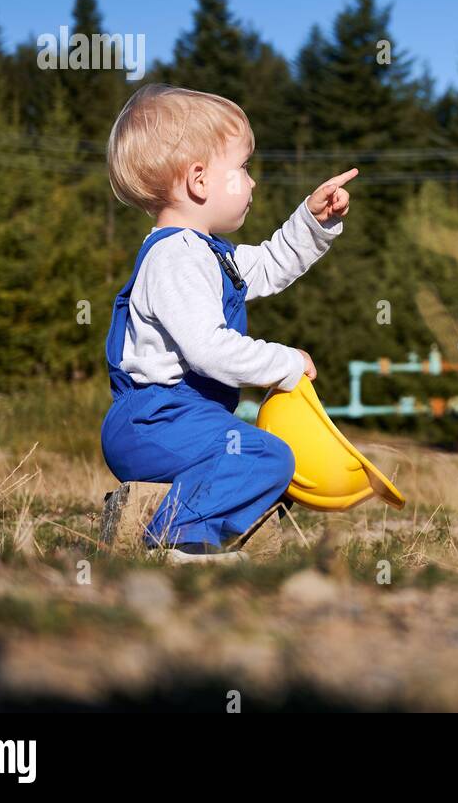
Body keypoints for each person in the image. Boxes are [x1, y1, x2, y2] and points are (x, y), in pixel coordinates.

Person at [101, 84, 357, 563]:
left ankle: (197, 530)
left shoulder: (207, 253)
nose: (252, 182)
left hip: (180, 421)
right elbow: (209, 349)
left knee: (261, 456)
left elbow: (268, 266)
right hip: (154, 420)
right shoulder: (176, 257)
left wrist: (311, 221)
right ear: (199, 181)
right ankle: (179, 541)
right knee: (268, 456)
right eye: (242, 168)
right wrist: (286, 362)